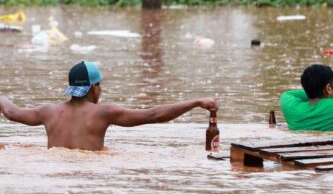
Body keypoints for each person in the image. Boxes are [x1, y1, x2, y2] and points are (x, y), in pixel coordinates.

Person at [0, 61, 219, 151]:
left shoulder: (47, 111)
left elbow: (10, 112)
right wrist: (196, 102)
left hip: (53, 173)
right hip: (89, 179)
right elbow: (154, 115)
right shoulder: (104, 113)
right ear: (94, 87)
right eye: (100, 85)